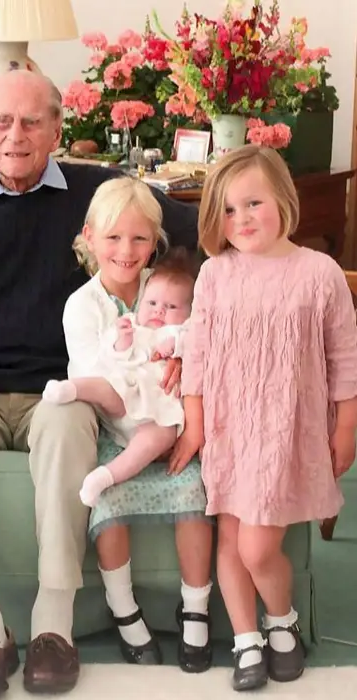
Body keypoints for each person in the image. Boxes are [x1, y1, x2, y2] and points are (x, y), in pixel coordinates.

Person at [0, 69, 200, 698]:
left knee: (67, 420)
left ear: (57, 129)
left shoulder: (97, 194)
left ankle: (52, 626)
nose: (16, 135)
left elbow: (192, 232)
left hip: (57, 394)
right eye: (3, 122)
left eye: (33, 121)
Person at [171, 145, 357, 691]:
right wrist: (197, 423)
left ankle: (284, 619)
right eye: (228, 210)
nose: (242, 219)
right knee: (230, 543)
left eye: (253, 203)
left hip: (284, 431)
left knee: (257, 547)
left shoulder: (317, 273)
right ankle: (249, 639)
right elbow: (198, 359)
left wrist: (345, 425)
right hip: (230, 428)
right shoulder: (215, 275)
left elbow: (345, 356)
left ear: (283, 197)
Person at [50, 178, 214, 673]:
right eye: (115, 238)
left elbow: (198, 338)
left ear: (155, 242)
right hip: (115, 427)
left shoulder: (164, 287)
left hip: (168, 422)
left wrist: (185, 369)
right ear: (90, 238)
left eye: (140, 239)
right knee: (107, 505)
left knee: (193, 496)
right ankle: (125, 613)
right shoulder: (83, 306)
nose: (127, 251)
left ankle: (196, 612)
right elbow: (93, 376)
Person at [44, 245, 198, 507]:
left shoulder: (182, 332)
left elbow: (197, 343)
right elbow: (111, 357)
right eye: (152, 303)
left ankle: (105, 477)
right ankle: (69, 389)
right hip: (126, 393)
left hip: (160, 412)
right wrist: (122, 341)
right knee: (106, 387)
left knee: (158, 438)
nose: (159, 311)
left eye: (171, 306)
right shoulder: (133, 325)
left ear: (188, 313)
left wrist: (176, 348)